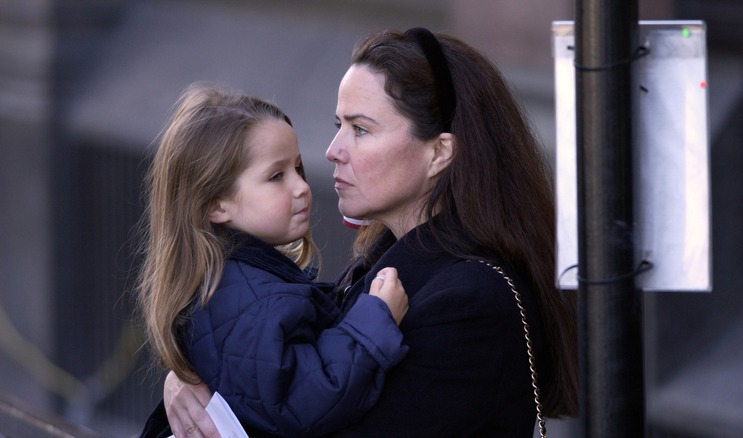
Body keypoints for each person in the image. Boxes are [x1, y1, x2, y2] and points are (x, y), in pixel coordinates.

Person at [163, 27, 578, 437]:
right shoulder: (385, 264)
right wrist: (189, 376)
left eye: (360, 129)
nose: (332, 150)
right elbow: (270, 364)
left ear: (439, 153)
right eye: (338, 124)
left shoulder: (470, 303)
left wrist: (210, 399)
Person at [137, 83, 410, 438]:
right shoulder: (253, 301)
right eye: (276, 176)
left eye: (297, 168)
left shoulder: (237, 284)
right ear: (216, 205)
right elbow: (305, 403)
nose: (301, 186)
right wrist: (374, 321)